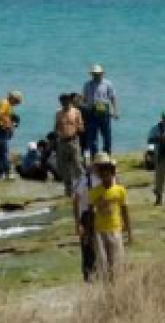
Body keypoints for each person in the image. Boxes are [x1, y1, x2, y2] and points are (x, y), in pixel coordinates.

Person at [88, 153, 132, 281]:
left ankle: (116, 286)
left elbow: (125, 210)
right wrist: (89, 233)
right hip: (99, 231)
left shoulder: (120, 190)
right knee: (103, 263)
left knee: (117, 260)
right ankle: (107, 287)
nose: (105, 176)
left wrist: (129, 232)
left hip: (115, 228)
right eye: (102, 173)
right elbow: (91, 213)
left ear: (112, 173)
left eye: (107, 173)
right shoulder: (94, 191)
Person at [82, 64, 119, 156]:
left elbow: (113, 97)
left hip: (104, 110)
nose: (96, 75)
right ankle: (94, 156)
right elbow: (84, 99)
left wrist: (115, 111)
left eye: (98, 73)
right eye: (94, 74)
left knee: (107, 135)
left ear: (102, 74)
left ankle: (107, 154)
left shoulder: (108, 84)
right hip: (91, 111)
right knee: (92, 136)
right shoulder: (87, 85)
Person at [0, 91, 23, 180]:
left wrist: (11, 126)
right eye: (17, 101)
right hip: (0, 130)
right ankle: (7, 174)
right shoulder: (4, 103)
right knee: (3, 153)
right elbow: (0, 114)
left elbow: (4, 116)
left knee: (0, 154)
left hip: (1, 130)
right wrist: (8, 124)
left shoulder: (8, 105)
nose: (17, 104)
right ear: (13, 98)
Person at [72, 163, 100, 282]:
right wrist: (78, 223)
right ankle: (89, 278)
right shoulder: (85, 180)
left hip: (103, 216)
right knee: (87, 248)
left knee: (101, 247)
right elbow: (75, 201)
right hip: (87, 216)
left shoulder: (109, 177)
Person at [55, 93, 85, 196]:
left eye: (66, 101)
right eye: (62, 101)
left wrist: (76, 129)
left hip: (73, 141)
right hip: (62, 142)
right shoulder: (58, 113)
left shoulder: (76, 112)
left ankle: (83, 187)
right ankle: (68, 191)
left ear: (70, 101)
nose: (64, 103)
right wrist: (59, 134)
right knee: (64, 167)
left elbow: (81, 126)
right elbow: (56, 127)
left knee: (77, 165)